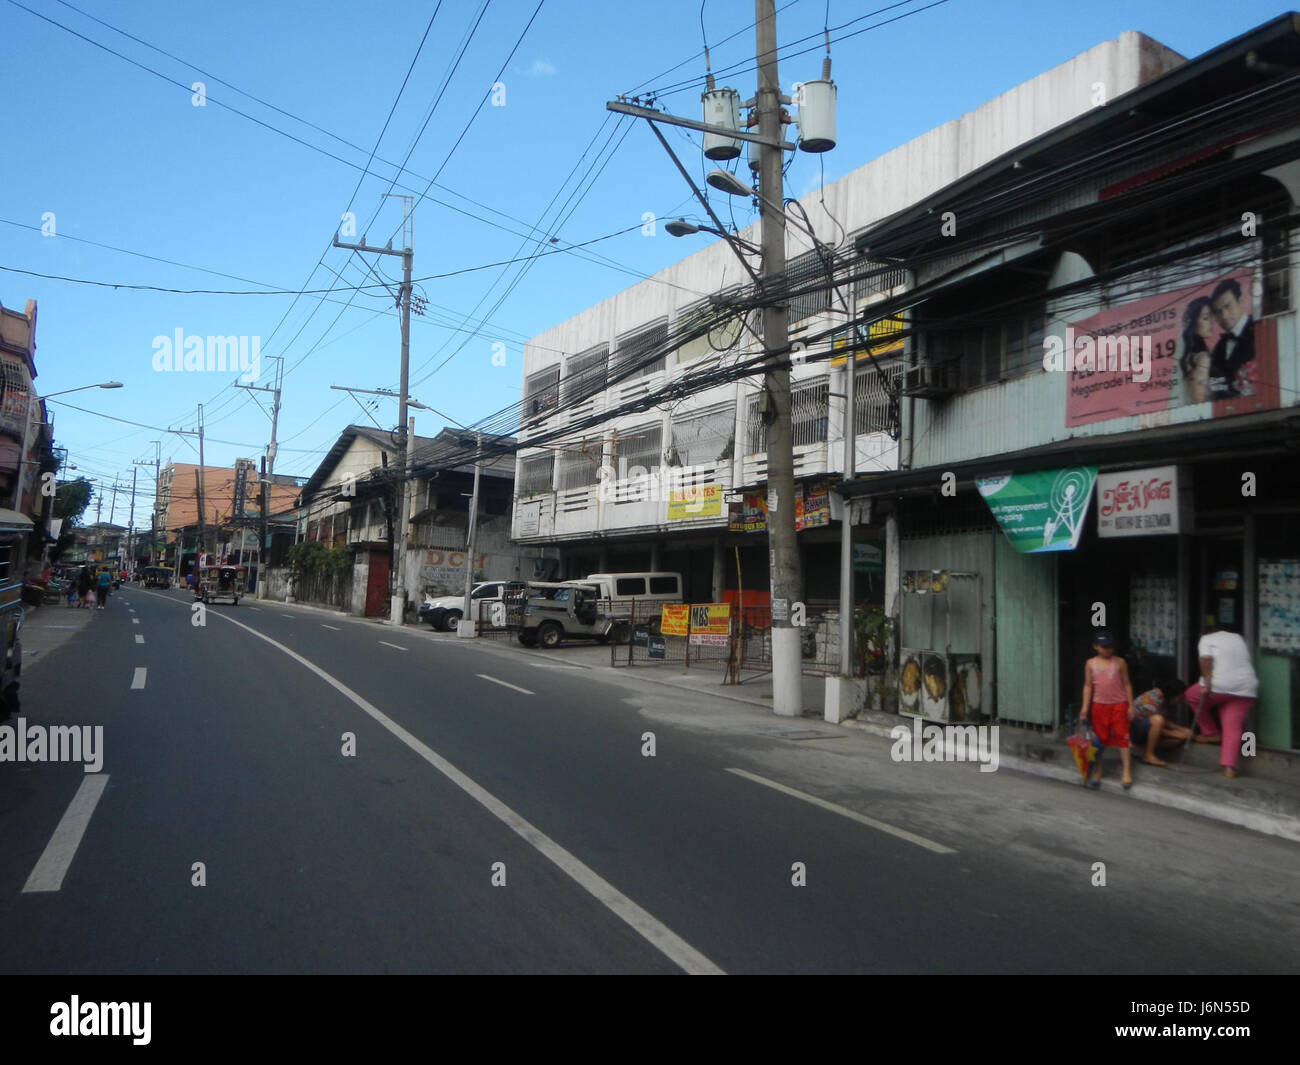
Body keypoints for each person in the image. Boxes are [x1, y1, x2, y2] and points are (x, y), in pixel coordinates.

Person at [1185, 626, 1258, 779]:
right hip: (1246, 686)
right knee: (1232, 725)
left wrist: (1207, 683)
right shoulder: (1238, 637)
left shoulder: (1206, 639)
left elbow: (1205, 660)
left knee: (1191, 696)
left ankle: (1210, 732)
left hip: (1220, 685)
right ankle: (1229, 768)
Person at [1080, 630, 1136, 789]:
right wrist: (1085, 707)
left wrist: (1131, 706)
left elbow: (1127, 684)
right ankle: (1098, 771)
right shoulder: (1090, 663)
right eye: (1104, 647)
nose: (1108, 650)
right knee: (1099, 740)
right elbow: (1087, 686)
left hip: (1119, 704)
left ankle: (1126, 772)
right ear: (1096, 647)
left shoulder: (1120, 662)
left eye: (1110, 647)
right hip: (1099, 706)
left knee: (1123, 738)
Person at [1207, 279, 1255, 399]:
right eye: (1218, 312)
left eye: (1228, 306)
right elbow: (1216, 385)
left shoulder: (1259, 329)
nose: (1224, 315)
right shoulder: (1219, 348)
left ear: (1240, 301)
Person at [1131, 678, 1192, 767]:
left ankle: (1142, 748)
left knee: (1178, 740)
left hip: (1147, 730)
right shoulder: (1151, 700)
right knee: (1158, 720)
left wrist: (1180, 729)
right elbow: (1156, 724)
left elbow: (1164, 720)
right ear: (1173, 694)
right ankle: (1148, 755)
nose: (1181, 700)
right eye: (1180, 697)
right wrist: (1176, 733)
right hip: (1133, 730)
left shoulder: (1163, 698)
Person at [1178, 297, 1216, 404]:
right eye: (1205, 318)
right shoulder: (1202, 358)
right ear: (1194, 323)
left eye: (1211, 316)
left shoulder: (1190, 356)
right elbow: (1199, 398)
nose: (1211, 322)